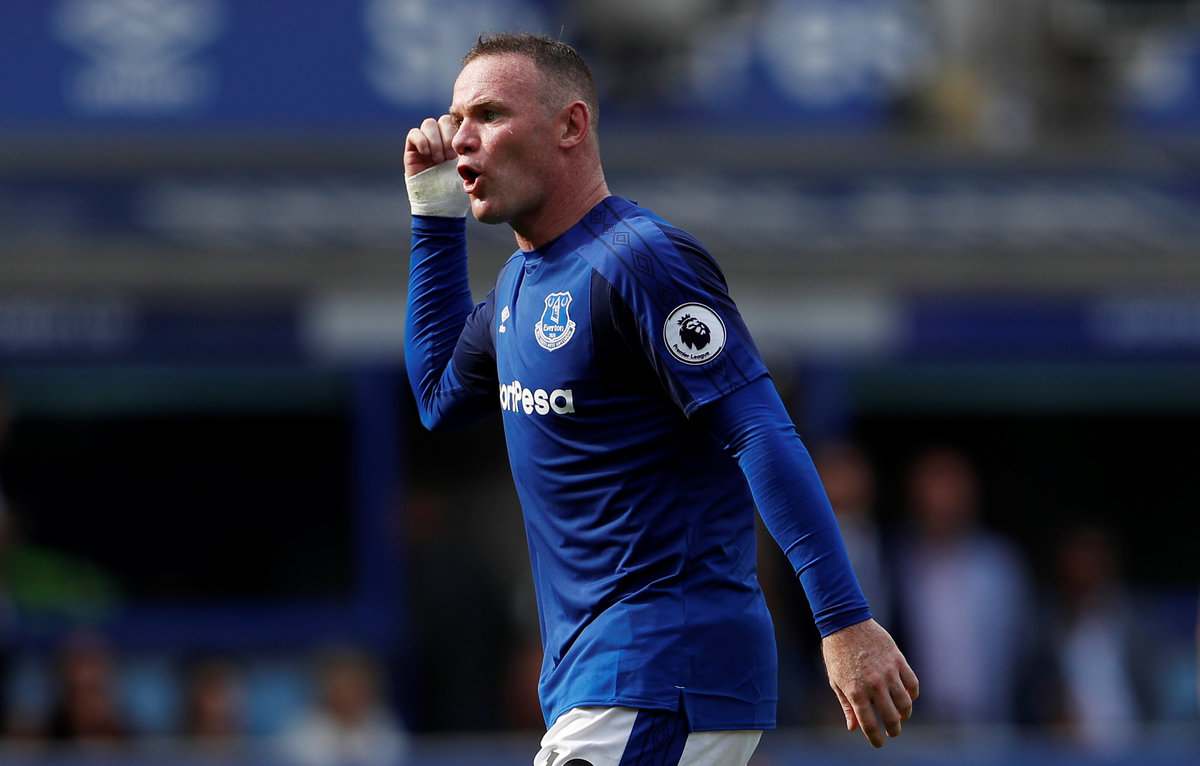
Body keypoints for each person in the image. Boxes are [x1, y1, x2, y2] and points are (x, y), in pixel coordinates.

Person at [402, 32, 918, 765]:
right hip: (604, 681)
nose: (461, 139)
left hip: (658, 671)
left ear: (571, 125)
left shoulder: (642, 261)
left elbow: (760, 431)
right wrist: (432, 211)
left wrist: (843, 621)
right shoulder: (519, 285)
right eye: (457, 119)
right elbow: (438, 397)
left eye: (488, 114)